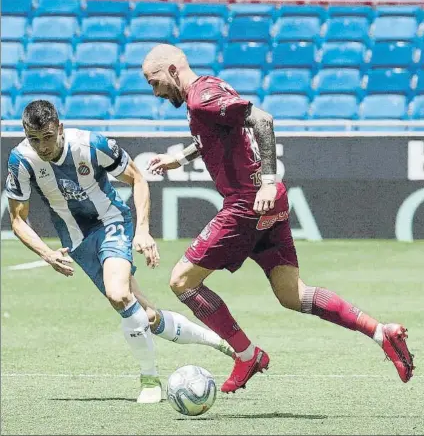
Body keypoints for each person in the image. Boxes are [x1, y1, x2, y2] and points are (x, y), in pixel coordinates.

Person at [143, 44, 415, 394]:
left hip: (247, 202)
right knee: (292, 294)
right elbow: (217, 134)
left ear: (172, 70)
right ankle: (382, 333)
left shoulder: (201, 98)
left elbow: (262, 120)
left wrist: (267, 180)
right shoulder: (210, 87)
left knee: (182, 281)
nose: (155, 92)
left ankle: (246, 355)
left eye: (154, 82)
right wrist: (179, 158)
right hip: (267, 202)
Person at [6, 100, 234, 404]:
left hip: (111, 221)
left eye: (48, 136)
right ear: (24, 133)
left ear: (59, 128)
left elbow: (137, 178)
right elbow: (17, 218)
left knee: (118, 294)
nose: (42, 146)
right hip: (77, 239)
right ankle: (221, 342)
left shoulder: (91, 145)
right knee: (146, 315)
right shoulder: (21, 160)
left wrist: (142, 230)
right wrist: (46, 253)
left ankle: (150, 380)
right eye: (34, 139)